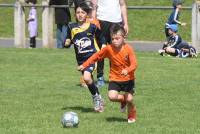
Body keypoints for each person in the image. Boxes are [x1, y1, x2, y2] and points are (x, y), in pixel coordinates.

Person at [78, 24, 138, 123]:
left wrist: (127, 70)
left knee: (130, 99)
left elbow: (134, 64)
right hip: (114, 78)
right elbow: (96, 56)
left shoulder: (129, 49)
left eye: (117, 38)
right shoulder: (109, 48)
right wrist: (84, 65)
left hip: (128, 79)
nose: (114, 41)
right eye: (113, 39)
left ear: (124, 37)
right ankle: (123, 100)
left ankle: (131, 114)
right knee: (112, 97)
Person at [65, 2, 106, 112]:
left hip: (92, 57)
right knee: (89, 81)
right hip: (81, 60)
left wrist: (103, 46)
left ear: (87, 14)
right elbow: (69, 38)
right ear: (75, 14)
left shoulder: (92, 27)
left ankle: (96, 98)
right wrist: (67, 42)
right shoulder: (71, 27)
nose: (80, 14)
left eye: (82, 12)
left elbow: (101, 37)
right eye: (78, 12)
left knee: (87, 78)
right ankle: (98, 97)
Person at [91, 0, 129, 88]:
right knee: (102, 50)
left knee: (116, 51)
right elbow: (94, 5)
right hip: (101, 21)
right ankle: (100, 77)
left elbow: (122, 5)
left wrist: (125, 23)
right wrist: (93, 20)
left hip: (116, 22)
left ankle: (115, 77)